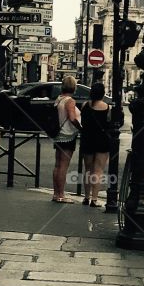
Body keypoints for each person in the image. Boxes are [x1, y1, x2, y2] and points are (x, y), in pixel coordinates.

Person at [80, 80, 112, 207]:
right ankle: (94, 199)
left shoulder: (85, 105)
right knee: (98, 170)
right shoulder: (107, 108)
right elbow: (110, 123)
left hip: (87, 139)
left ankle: (86, 197)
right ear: (103, 94)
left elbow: (83, 121)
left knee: (87, 170)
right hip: (102, 141)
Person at [52, 74, 80, 202]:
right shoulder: (70, 101)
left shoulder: (59, 99)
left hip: (58, 134)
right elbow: (72, 118)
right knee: (64, 166)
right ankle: (61, 195)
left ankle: (56, 193)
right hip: (68, 135)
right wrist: (81, 128)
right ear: (74, 87)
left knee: (57, 165)